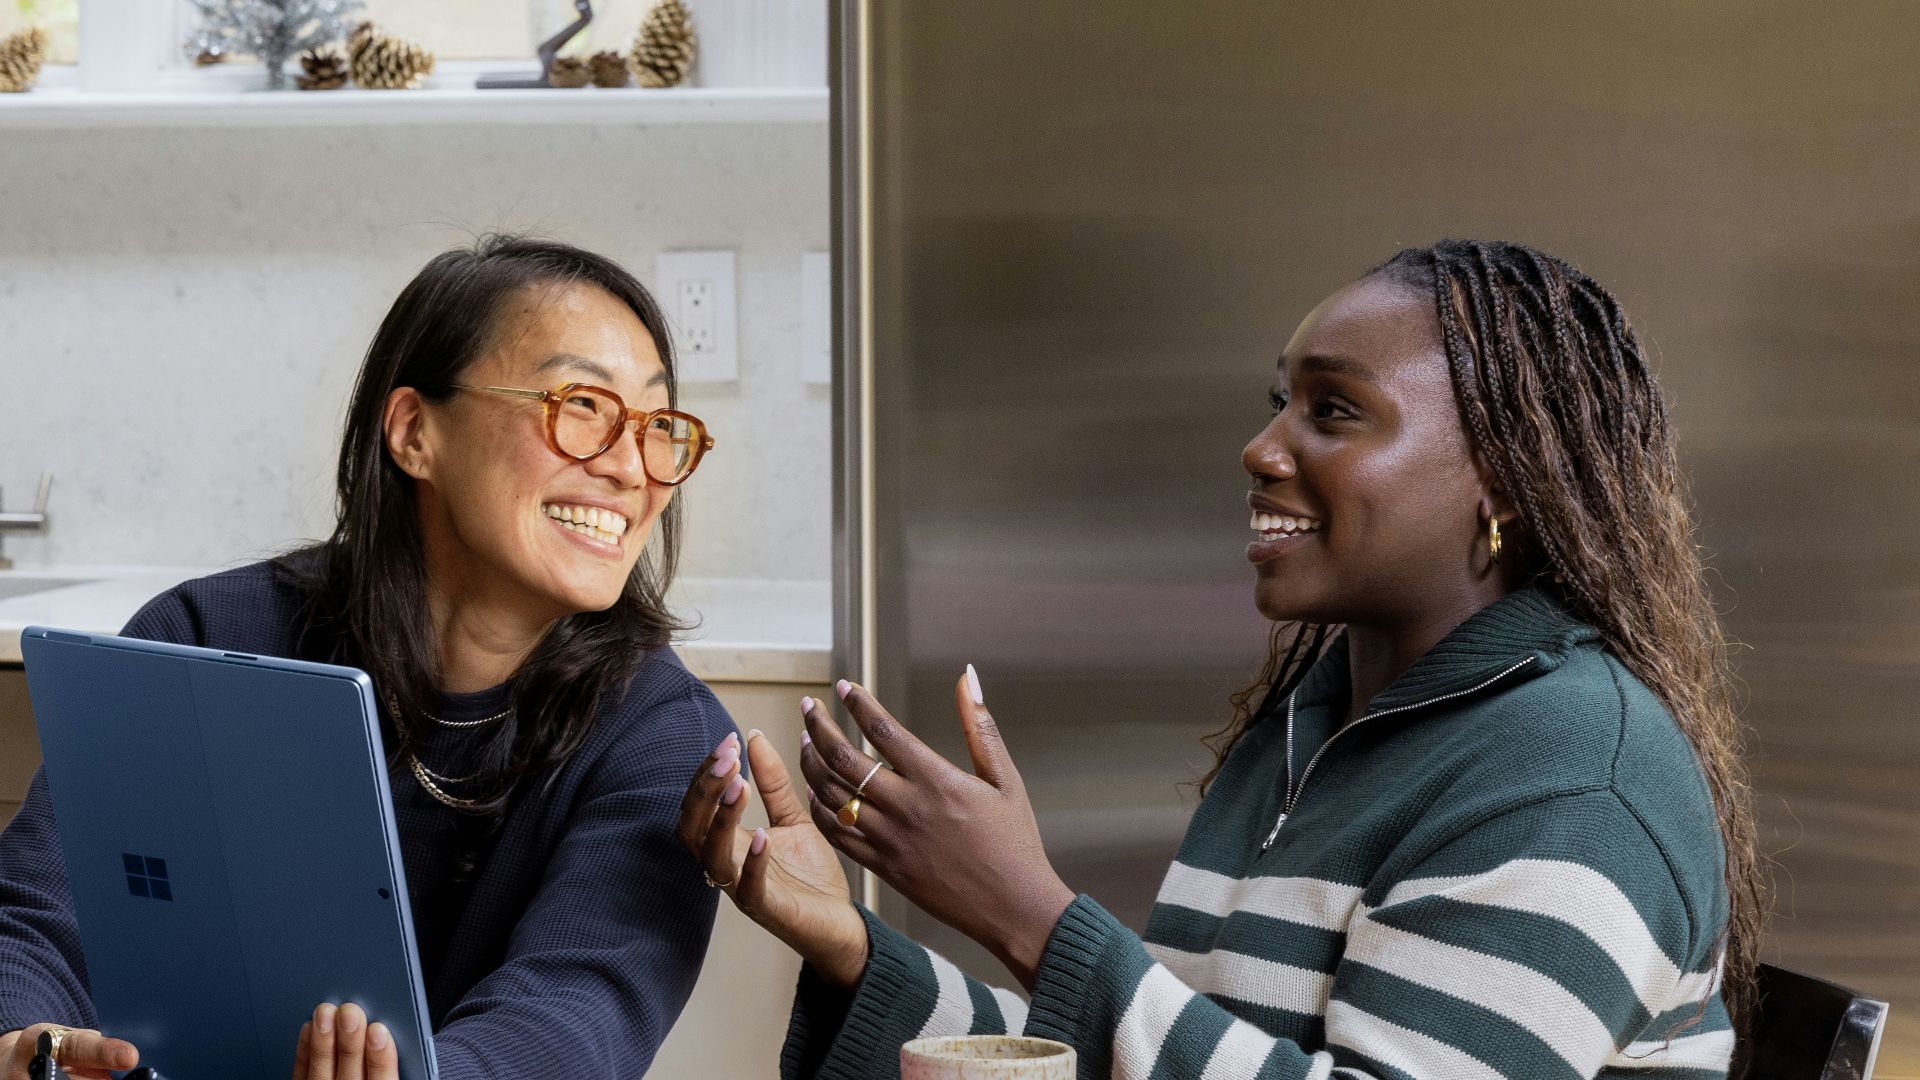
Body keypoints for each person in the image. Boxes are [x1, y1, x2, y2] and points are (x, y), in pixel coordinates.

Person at [682, 239, 1764, 1078]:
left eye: (1335, 410)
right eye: (1280, 402)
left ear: (1507, 482)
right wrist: (853, 947)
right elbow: (1162, 1051)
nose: (1263, 448)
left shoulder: (1575, 772)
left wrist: (1028, 913)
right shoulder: (1316, 723)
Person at [0, 235, 736, 1080]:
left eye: (654, 426)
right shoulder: (201, 636)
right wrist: (26, 1043)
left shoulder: (664, 739)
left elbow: (580, 1010)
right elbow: (40, 910)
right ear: (415, 431)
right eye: (580, 407)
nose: (628, 468)